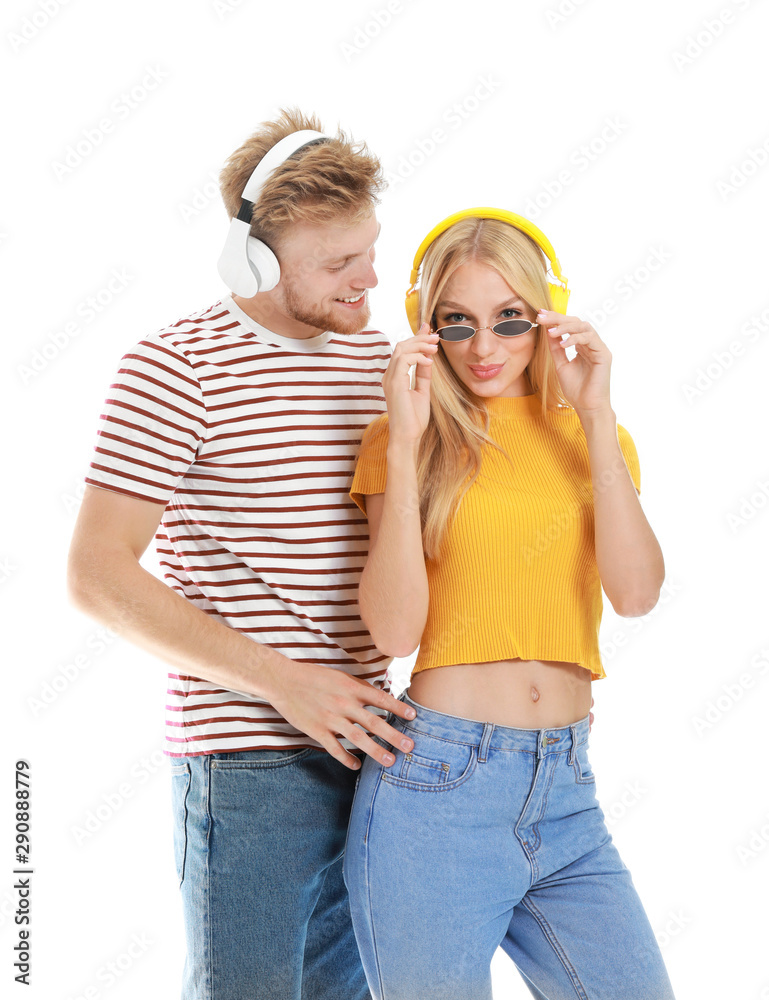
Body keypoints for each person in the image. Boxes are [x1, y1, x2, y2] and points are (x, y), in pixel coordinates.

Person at [66, 107, 422, 1000]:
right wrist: (285, 681)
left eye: (369, 251)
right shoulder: (176, 366)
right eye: (339, 264)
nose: (368, 280)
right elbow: (96, 576)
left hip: (372, 752)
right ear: (255, 260)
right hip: (248, 761)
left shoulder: (379, 362)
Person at [342, 208, 677, 999]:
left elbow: (635, 594)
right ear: (425, 330)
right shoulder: (403, 440)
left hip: (563, 789)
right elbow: (392, 630)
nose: (483, 348)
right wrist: (400, 438)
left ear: (546, 317)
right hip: (434, 790)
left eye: (508, 320)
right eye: (456, 324)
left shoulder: (593, 436)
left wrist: (594, 414)